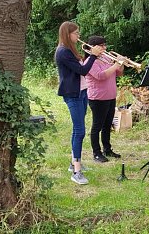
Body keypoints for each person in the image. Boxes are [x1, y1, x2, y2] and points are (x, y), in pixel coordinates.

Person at [55, 21, 104, 185]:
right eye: (76, 33)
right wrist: (93, 55)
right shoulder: (63, 52)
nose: (79, 36)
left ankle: (74, 163)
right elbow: (83, 70)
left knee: (78, 130)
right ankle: (76, 172)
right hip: (73, 95)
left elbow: (80, 68)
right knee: (80, 130)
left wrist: (91, 56)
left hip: (82, 92)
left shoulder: (70, 50)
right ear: (67, 34)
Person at [85, 36, 124, 163]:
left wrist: (121, 63)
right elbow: (101, 76)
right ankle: (96, 153)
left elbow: (119, 73)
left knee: (108, 125)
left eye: (104, 45)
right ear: (93, 47)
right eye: (101, 45)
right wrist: (115, 65)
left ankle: (107, 149)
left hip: (110, 96)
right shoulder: (90, 62)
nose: (104, 48)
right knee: (97, 126)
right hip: (98, 98)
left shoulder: (107, 58)